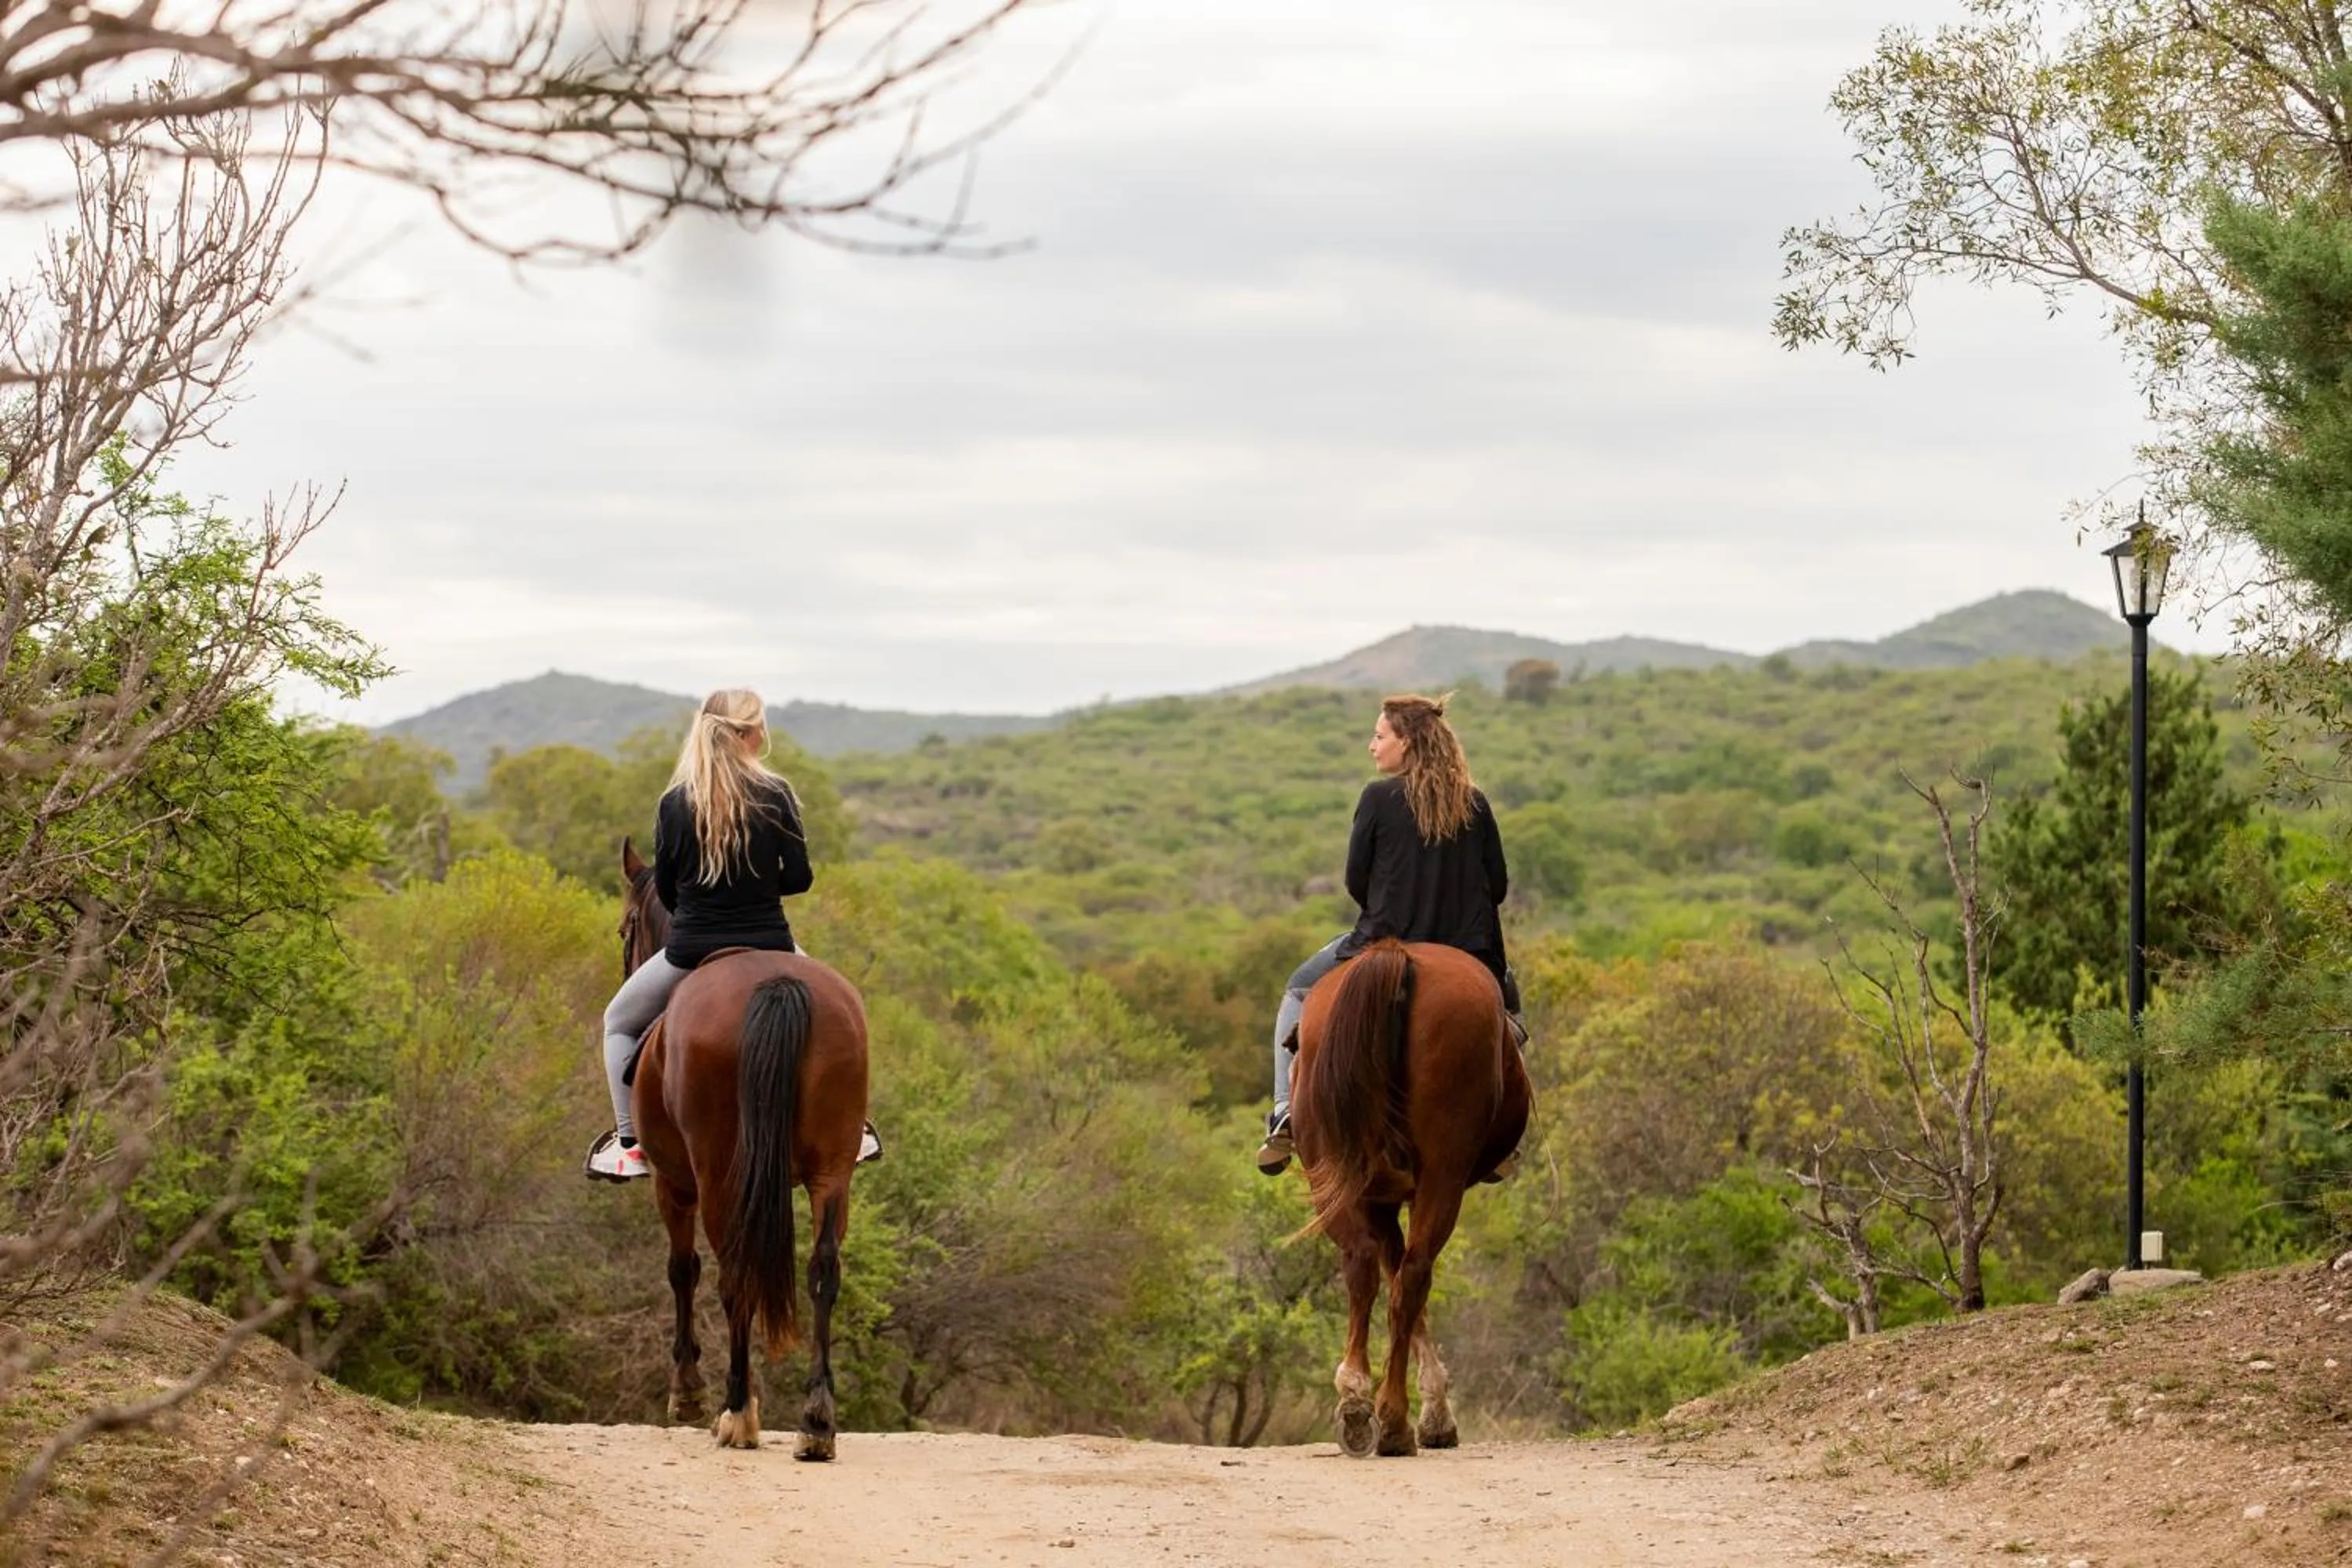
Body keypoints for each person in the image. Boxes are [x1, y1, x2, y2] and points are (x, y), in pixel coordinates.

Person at [586, 688, 880, 1180]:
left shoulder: (675, 803)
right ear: (748, 734)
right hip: (772, 939)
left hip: (692, 945)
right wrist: (761, 888)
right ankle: (853, 1131)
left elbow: (669, 889)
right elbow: (801, 877)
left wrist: (700, 910)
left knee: (618, 1022)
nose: (764, 734)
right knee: (842, 1017)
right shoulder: (777, 794)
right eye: (761, 725)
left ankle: (630, 1143)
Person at [1256, 692, 1523, 1177]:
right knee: (1508, 1013)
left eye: (1380, 736)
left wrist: (1391, 905)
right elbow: (1498, 887)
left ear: (1408, 742)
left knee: (1297, 990)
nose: (1371, 745)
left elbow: (1356, 882)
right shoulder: (1477, 804)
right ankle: (1500, 1137)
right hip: (1468, 948)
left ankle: (1284, 1112)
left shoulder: (1377, 799)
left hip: (1384, 938)